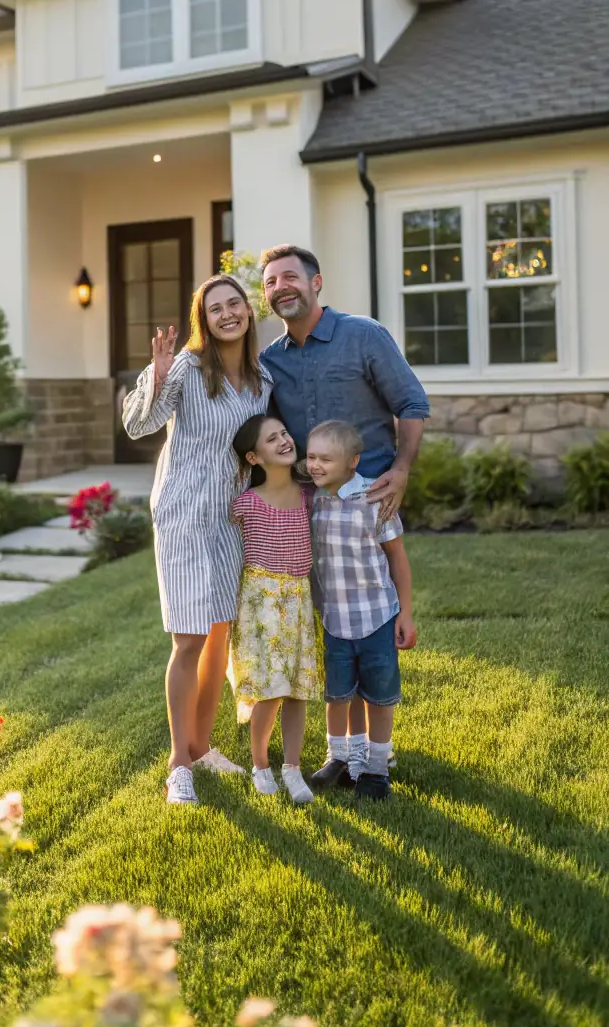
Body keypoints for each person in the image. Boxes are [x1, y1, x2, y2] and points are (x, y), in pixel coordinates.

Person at [259, 243, 429, 778]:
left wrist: (401, 469)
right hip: (312, 513)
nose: (280, 287)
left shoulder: (364, 336)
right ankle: (344, 752)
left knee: (372, 629)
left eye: (289, 277)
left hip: (369, 504)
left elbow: (412, 403)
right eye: (269, 282)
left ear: (316, 282)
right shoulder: (270, 361)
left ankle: (375, 753)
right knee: (333, 632)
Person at [122, 274, 273, 806]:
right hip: (184, 516)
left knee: (218, 635)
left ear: (249, 313)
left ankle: (203, 745)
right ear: (202, 320)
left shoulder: (262, 379)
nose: (227, 314)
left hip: (230, 519)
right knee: (187, 639)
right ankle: (178, 764)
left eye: (235, 304)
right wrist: (157, 380)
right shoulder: (185, 366)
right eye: (215, 309)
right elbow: (140, 426)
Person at [305, 420, 416, 800]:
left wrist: (405, 613)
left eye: (325, 459)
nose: (315, 465)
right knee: (338, 694)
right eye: (311, 457)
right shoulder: (316, 500)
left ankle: (375, 768)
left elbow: (398, 559)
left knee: (379, 697)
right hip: (335, 619)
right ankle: (340, 759)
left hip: (377, 617)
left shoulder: (374, 499)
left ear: (352, 462)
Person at [228, 412, 320, 804]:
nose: (284, 440)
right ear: (253, 458)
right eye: (271, 439)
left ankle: (293, 768)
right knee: (269, 690)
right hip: (260, 604)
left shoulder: (308, 495)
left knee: (298, 689)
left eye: (284, 432)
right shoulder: (245, 504)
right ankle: (261, 764)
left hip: (298, 599)